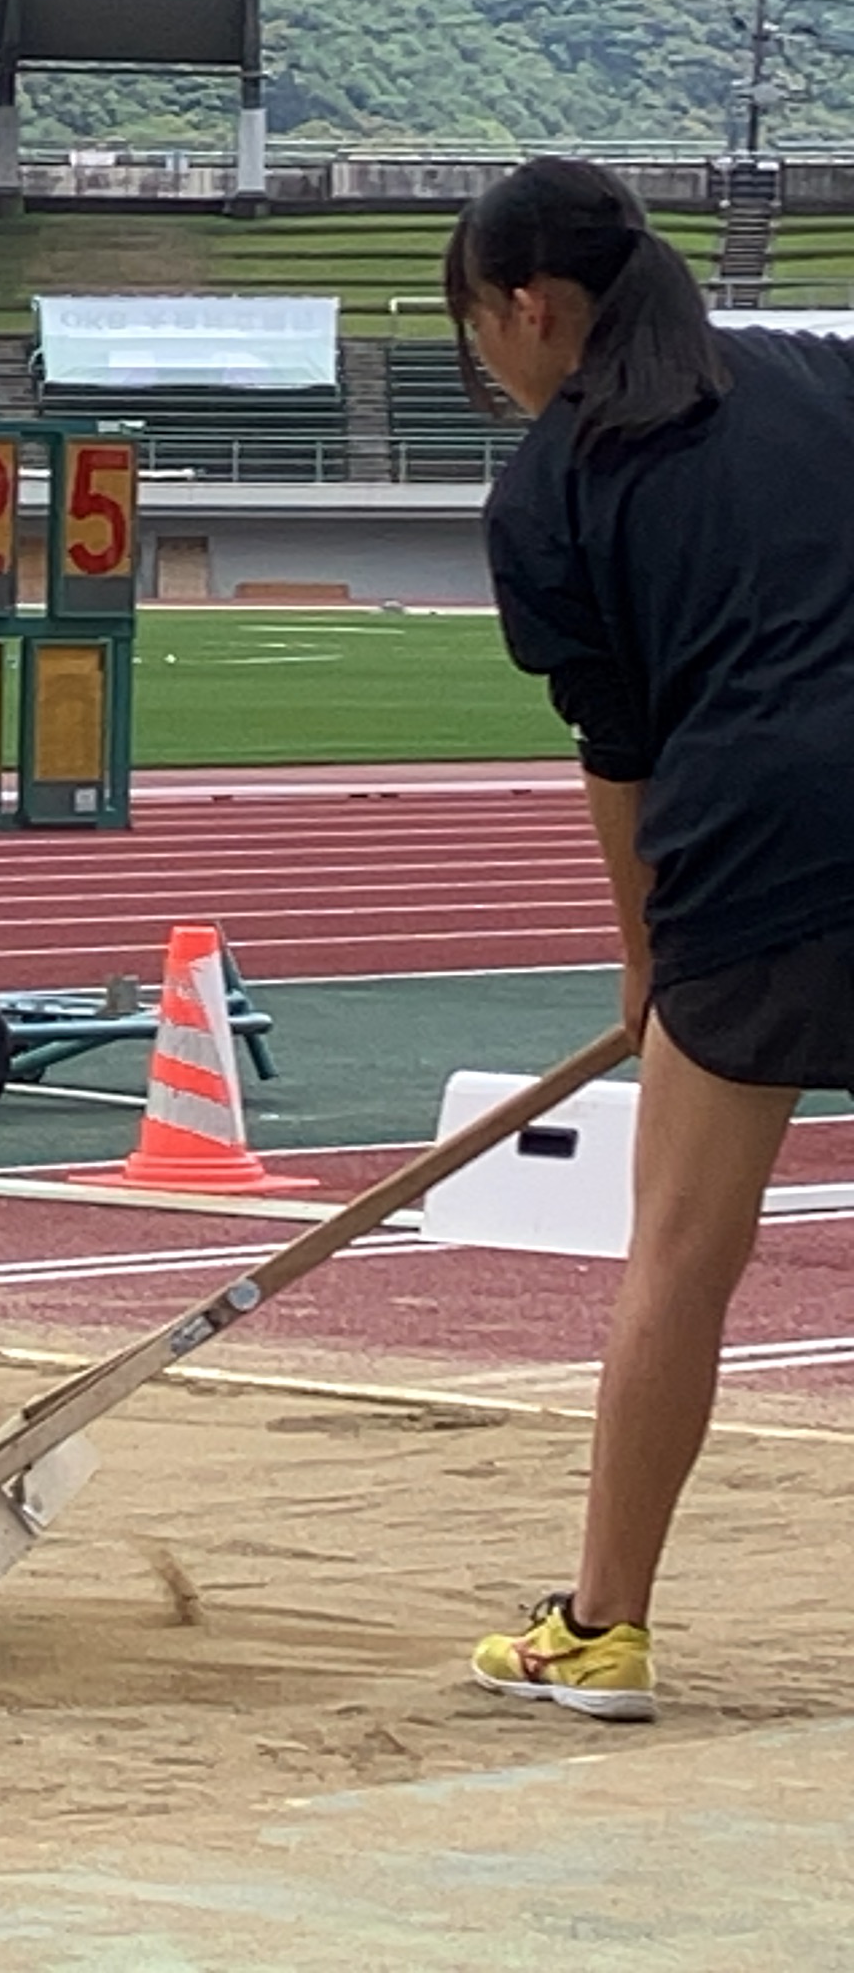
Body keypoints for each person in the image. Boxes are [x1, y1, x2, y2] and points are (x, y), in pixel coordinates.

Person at [453, 157, 854, 1720]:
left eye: (481, 324)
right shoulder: (822, 375)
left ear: (535, 309)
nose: (490, 358)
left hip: (752, 842)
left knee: (683, 1254)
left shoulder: (548, 489)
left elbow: (614, 746)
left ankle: (603, 1625)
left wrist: (643, 961)